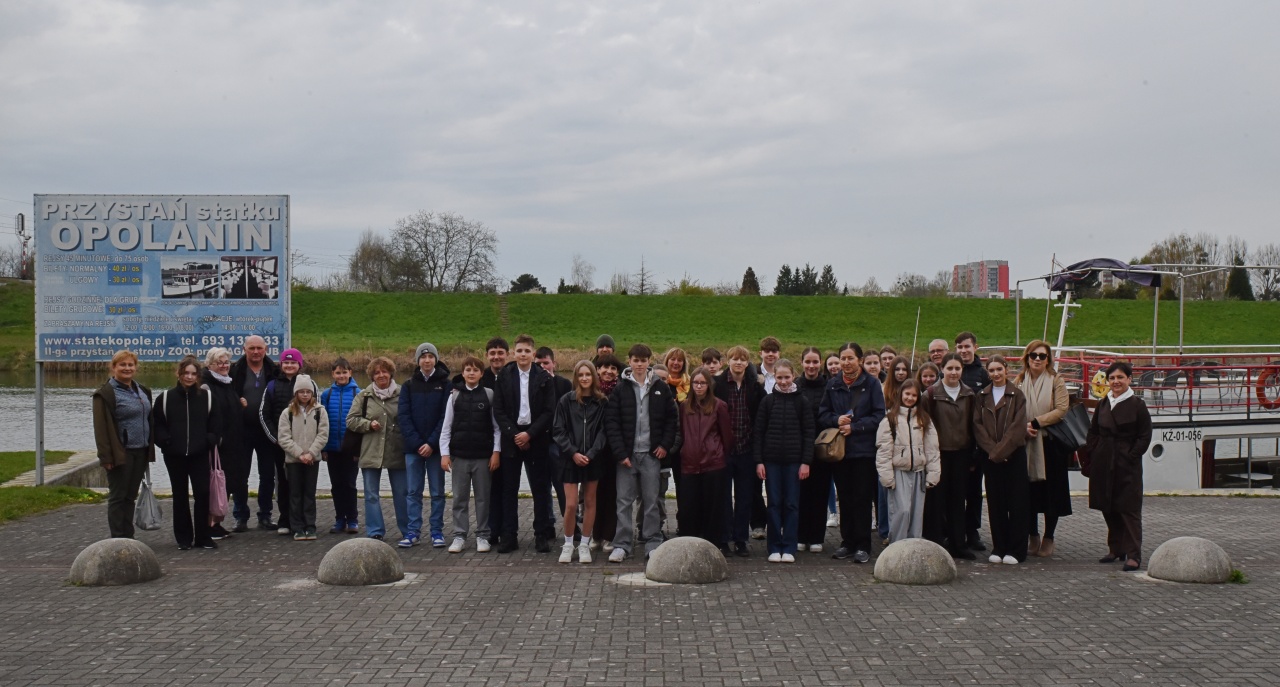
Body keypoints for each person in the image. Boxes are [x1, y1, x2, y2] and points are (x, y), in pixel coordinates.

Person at [605, 344, 678, 562]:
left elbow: (671, 419)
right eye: (635, 360)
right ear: (629, 361)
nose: (639, 364)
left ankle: (652, 541)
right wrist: (620, 453)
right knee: (624, 501)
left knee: (651, 500)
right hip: (626, 456)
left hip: (651, 454)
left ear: (648, 362)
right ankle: (622, 544)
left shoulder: (660, 387)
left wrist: (664, 445)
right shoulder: (620, 388)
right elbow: (612, 422)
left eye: (643, 360)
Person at [818, 343, 886, 564]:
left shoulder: (872, 384)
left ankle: (863, 544)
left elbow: (878, 416)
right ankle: (847, 542)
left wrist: (855, 427)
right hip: (839, 452)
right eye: (843, 358)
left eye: (850, 358)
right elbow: (823, 414)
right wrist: (836, 420)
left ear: (859, 359)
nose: (846, 362)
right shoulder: (832, 385)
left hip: (863, 451)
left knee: (862, 498)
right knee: (845, 498)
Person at [491, 334, 558, 554]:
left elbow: (549, 411)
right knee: (509, 489)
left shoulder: (544, 377)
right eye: (519, 351)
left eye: (527, 351)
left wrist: (529, 434)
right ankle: (509, 536)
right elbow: (498, 410)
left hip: (536, 438)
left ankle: (541, 535)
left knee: (540, 489)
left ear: (533, 354)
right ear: (514, 353)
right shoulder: (504, 376)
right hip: (511, 438)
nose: (522, 355)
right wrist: (514, 434)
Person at [1087, 361, 1152, 572]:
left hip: (1126, 462)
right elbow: (1094, 431)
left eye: (1120, 378)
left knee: (1129, 509)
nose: (1116, 382)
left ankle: (1134, 554)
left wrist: (1131, 455)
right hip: (1104, 460)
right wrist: (1094, 452)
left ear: (1129, 379)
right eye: (1112, 378)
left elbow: (1144, 436)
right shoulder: (1104, 403)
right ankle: (1115, 549)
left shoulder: (1137, 405)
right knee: (1108, 506)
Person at [153, 355, 220, 550]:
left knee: (202, 493)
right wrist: (165, 442)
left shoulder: (207, 398)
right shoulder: (165, 398)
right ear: (179, 374)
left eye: (193, 374)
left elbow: (216, 423)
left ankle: (203, 537)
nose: (189, 377)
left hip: (199, 454)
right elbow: (158, 424)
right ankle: (183, 537)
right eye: (186, 373)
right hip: (175, 455)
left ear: (198, 376)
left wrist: (209, 440)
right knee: (179, 495)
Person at [754, 360, 814, 563]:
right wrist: (759, 461)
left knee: (791, 504)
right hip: (771, 462)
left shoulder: (802, 402)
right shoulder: (768, 401)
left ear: (793, 376)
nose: (784, 381)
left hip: (794, 462)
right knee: (774, 504)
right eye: (779, 377)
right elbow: (759, 433)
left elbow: (808, 433)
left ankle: (789, 546)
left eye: (787, 377)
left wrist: (806, 461)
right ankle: (774, 546)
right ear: (775, 378)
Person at [440, 355, 502, 553]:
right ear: (463, 373)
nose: (471, 373)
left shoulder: (489, 395)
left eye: (475, 370)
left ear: (481, 374)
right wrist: (444, 453)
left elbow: (496, 428)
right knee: (459, 498)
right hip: (459, 456)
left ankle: (483, 535)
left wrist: (496, 452)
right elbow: (446, 427)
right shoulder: (454, 396)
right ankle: (459, 535)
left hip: (483, 457)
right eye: (468, 370)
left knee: (483, 498)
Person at [1016, 341, 1071, 558]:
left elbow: (1062, 408)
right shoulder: (1019, 380)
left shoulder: (1056, 380)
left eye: (1042, 356)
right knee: (1027, 492)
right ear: (1026, 357)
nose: (1037, 359)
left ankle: (1049, 537)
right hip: (1025, 442)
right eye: (1033, 355)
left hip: (1050, 445)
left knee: (1051, 493)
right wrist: (1022, 427)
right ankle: (1032, 535)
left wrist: (1037, 422)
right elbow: (1012, 407)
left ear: (1048, 359)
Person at [973, 355, 1030, 564]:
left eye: (999, 369)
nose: (996, 374)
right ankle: (999, 546)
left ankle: (1016, 550)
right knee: (996, 503)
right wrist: (993, 452)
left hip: (1013, 456)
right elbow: (977, 426)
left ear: (1006, 370)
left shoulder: (1017, 395)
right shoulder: (982, 396)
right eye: (992, 370)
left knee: (1017, 503)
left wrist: (1001, 452)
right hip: (990, 457)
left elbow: (1017, 428)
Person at [92, 350, 155, 539]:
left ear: (136, 367)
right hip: (121, 453)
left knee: (130, 497)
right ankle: (118, 538)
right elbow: (101, 429)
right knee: (118, 497)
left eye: (130, 365)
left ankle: (129, 537)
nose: (127, 368)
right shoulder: (105, 394)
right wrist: (106, 456)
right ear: (113, 368)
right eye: (123, 365)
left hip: (141, 451)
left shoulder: (143, 391)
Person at [922, 353, 978, 560]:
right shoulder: (930, 394)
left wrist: (973, 455)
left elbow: (973, 426)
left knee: (957, 501)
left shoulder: (969, 394)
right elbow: (923, 425)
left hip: (962, 454)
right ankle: (935, 543)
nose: (953, 372)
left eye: (957, 368)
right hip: (938, 454)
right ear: (942, 370)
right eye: (950, 368)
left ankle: (958, 544)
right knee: (935, 501)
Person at [552, 360, 608, 563]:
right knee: (571, 504)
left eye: (588, 374)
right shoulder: (566, 401)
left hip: (592, 459)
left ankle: (584, 544)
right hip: (570, 459)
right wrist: (573, 453)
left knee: (590, 502)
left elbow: (604, 432)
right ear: (576, 377)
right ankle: (568, 544)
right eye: (581, 375)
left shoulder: (602, 402)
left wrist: (591, 454)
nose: (584, 378)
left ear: (594, 377)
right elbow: (558, 431)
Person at [398, 342, 451, 548]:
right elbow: (404, 416)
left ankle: (436, 531)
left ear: (436, 359)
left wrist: (431, 443)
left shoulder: (446, 384)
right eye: (423, 357)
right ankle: (413, 532)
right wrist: (419, 443)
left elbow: (446, 417)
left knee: (437, 492)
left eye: (430, 357)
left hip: (436, 449)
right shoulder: (409, 385)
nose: (427, 360)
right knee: (413, 492)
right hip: (414, 448)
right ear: (418, 360)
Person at [714, 345, 765, 557]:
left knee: (745, 497)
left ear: (747, 362)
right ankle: (724, 539)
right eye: (734, 358)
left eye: (742, 359)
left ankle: (741, 539)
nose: (738, 362)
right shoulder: (717, 384)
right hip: (724, 450)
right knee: (723, 497)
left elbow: (761, 417)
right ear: (728, 361)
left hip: (747, 449)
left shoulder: (754, 385)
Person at [347, 357, 405, 541]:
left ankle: (407, 531)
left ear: (391, 373)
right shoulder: (363, 396)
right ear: (372, 376)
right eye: (377, 372)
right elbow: (351, 420)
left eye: (384, 371)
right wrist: (367, 424)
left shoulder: (402, 394)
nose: (381, 375)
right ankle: (375, 531)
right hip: (370, 451)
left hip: (396, 450)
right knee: (371, 494)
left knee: (402, 493)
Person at [875, 380, 940, 542]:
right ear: (901, 395)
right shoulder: (890, 419)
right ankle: (897, 547)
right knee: (901, 511)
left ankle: (914, 548)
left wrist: (933, 474)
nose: (910, 398)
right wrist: (886, 476)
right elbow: (883, 451)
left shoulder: (924, 420)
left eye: (914, 395)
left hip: (919, 473)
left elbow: (932, 448)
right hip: (899, 473)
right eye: (907, 394)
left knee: (916, 514)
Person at [678, 366, 734, 551]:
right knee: (689, 508)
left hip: (713, 463)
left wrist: (719, 455)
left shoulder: (719, 406)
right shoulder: (684, 407)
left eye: (703, 383)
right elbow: (682, 433)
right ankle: (689, 546)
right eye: (696, 383)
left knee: (713, 509)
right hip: (689, 463)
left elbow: (726, 436)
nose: (699, 386)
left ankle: (713, 546)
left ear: (709, 385)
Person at [229, 335, 278, 531]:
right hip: (242, 430)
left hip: (266, 430)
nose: (256, 352)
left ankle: (265, 515)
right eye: (252, 348)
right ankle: (240, 516)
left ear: (266, 349)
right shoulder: (234, 371)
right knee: (240, 475)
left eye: (259, 348)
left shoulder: (274, 370)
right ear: (244, 349)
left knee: (267, 475)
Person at [258, 348, 305, 535]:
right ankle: (284, 519)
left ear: (299, 365)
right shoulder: (271, 386)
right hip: (279, 445)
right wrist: (276, 438)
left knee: (301, 483)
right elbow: (264, 414)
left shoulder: (307, 384)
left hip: (302, 445)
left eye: (293, 362)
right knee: (283, 482)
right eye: (286, 362)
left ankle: (302, 519)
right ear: (281, 364)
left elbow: (317, 413)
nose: (289, 365)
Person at [277, 374, 327, 540]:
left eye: (308, 391)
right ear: (296, 393)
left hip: (313, 459)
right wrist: (300, 454)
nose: (305, 394)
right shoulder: (288, 413)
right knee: (295, 494)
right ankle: (297, 527)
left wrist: (311, 453)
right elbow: (284, 438)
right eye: (301, 391)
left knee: (309, 494)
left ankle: (310, 526)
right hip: (294, 460)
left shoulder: (320, 411)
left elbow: (323, 434)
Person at [956, 331, 991, 553]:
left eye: (967, 346)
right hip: (955, 441)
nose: (963, 350)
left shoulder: (983, 375)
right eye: (959, 347)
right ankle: (956, 529)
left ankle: (973, 531)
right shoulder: (951, 371)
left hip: (977, 442)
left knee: (974, 491)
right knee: (956, 490)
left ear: (975, 347)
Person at [202, 347, 242, 540]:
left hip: (232, 445)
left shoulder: (227, 383)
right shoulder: (206, 386)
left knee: (226, 484)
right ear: (210, 365)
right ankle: (208, 524)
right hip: (216, 445)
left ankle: (216, 523)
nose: (225, 366)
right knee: (214, 484)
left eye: (227, 362)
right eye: (220, 363)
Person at [796, 346, 831, 552]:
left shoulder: (829, 386)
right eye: (808, 362)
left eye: (815, 362)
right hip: (800, 449)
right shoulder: (795, 386)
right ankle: (801, 534)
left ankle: (817, 536)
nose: (811, 366)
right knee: (800, 494)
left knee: (820, 492)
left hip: (823, 448)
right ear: (802, 363)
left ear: (821, 363)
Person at [321, 358, 361, 534]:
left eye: (344, 372)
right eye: (338, 372)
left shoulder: (359, 394)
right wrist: (323, 448)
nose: (341, 375)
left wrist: (358, 450)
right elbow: (321, 423)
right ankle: (339, 519)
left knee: (350, 484)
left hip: (351, 449)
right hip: (332, 448)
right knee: (336, 485)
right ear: (333, 374)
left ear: (350, 372)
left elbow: (361, 423)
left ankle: (352, 519)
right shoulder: (326, 395)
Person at [589, 354, 622, 552]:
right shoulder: (591, 391)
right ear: (598, 369)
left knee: (613, 495)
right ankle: (595, 535)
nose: (608, 371)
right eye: (604, 367)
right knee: (594, 494)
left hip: (614, 450)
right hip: (594, 450)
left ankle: (609, 536)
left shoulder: (621, 390)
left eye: (613, 368)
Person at [538, 346, 573, 516]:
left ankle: (571, 526)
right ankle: (547, 524)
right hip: (537, 441)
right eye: (538, 364)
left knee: (562, 487)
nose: (543, 366)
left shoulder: (565, 384)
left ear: (554, 364)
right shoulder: (532, 385)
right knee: (541, 488)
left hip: (559, 443)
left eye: (546, 363)